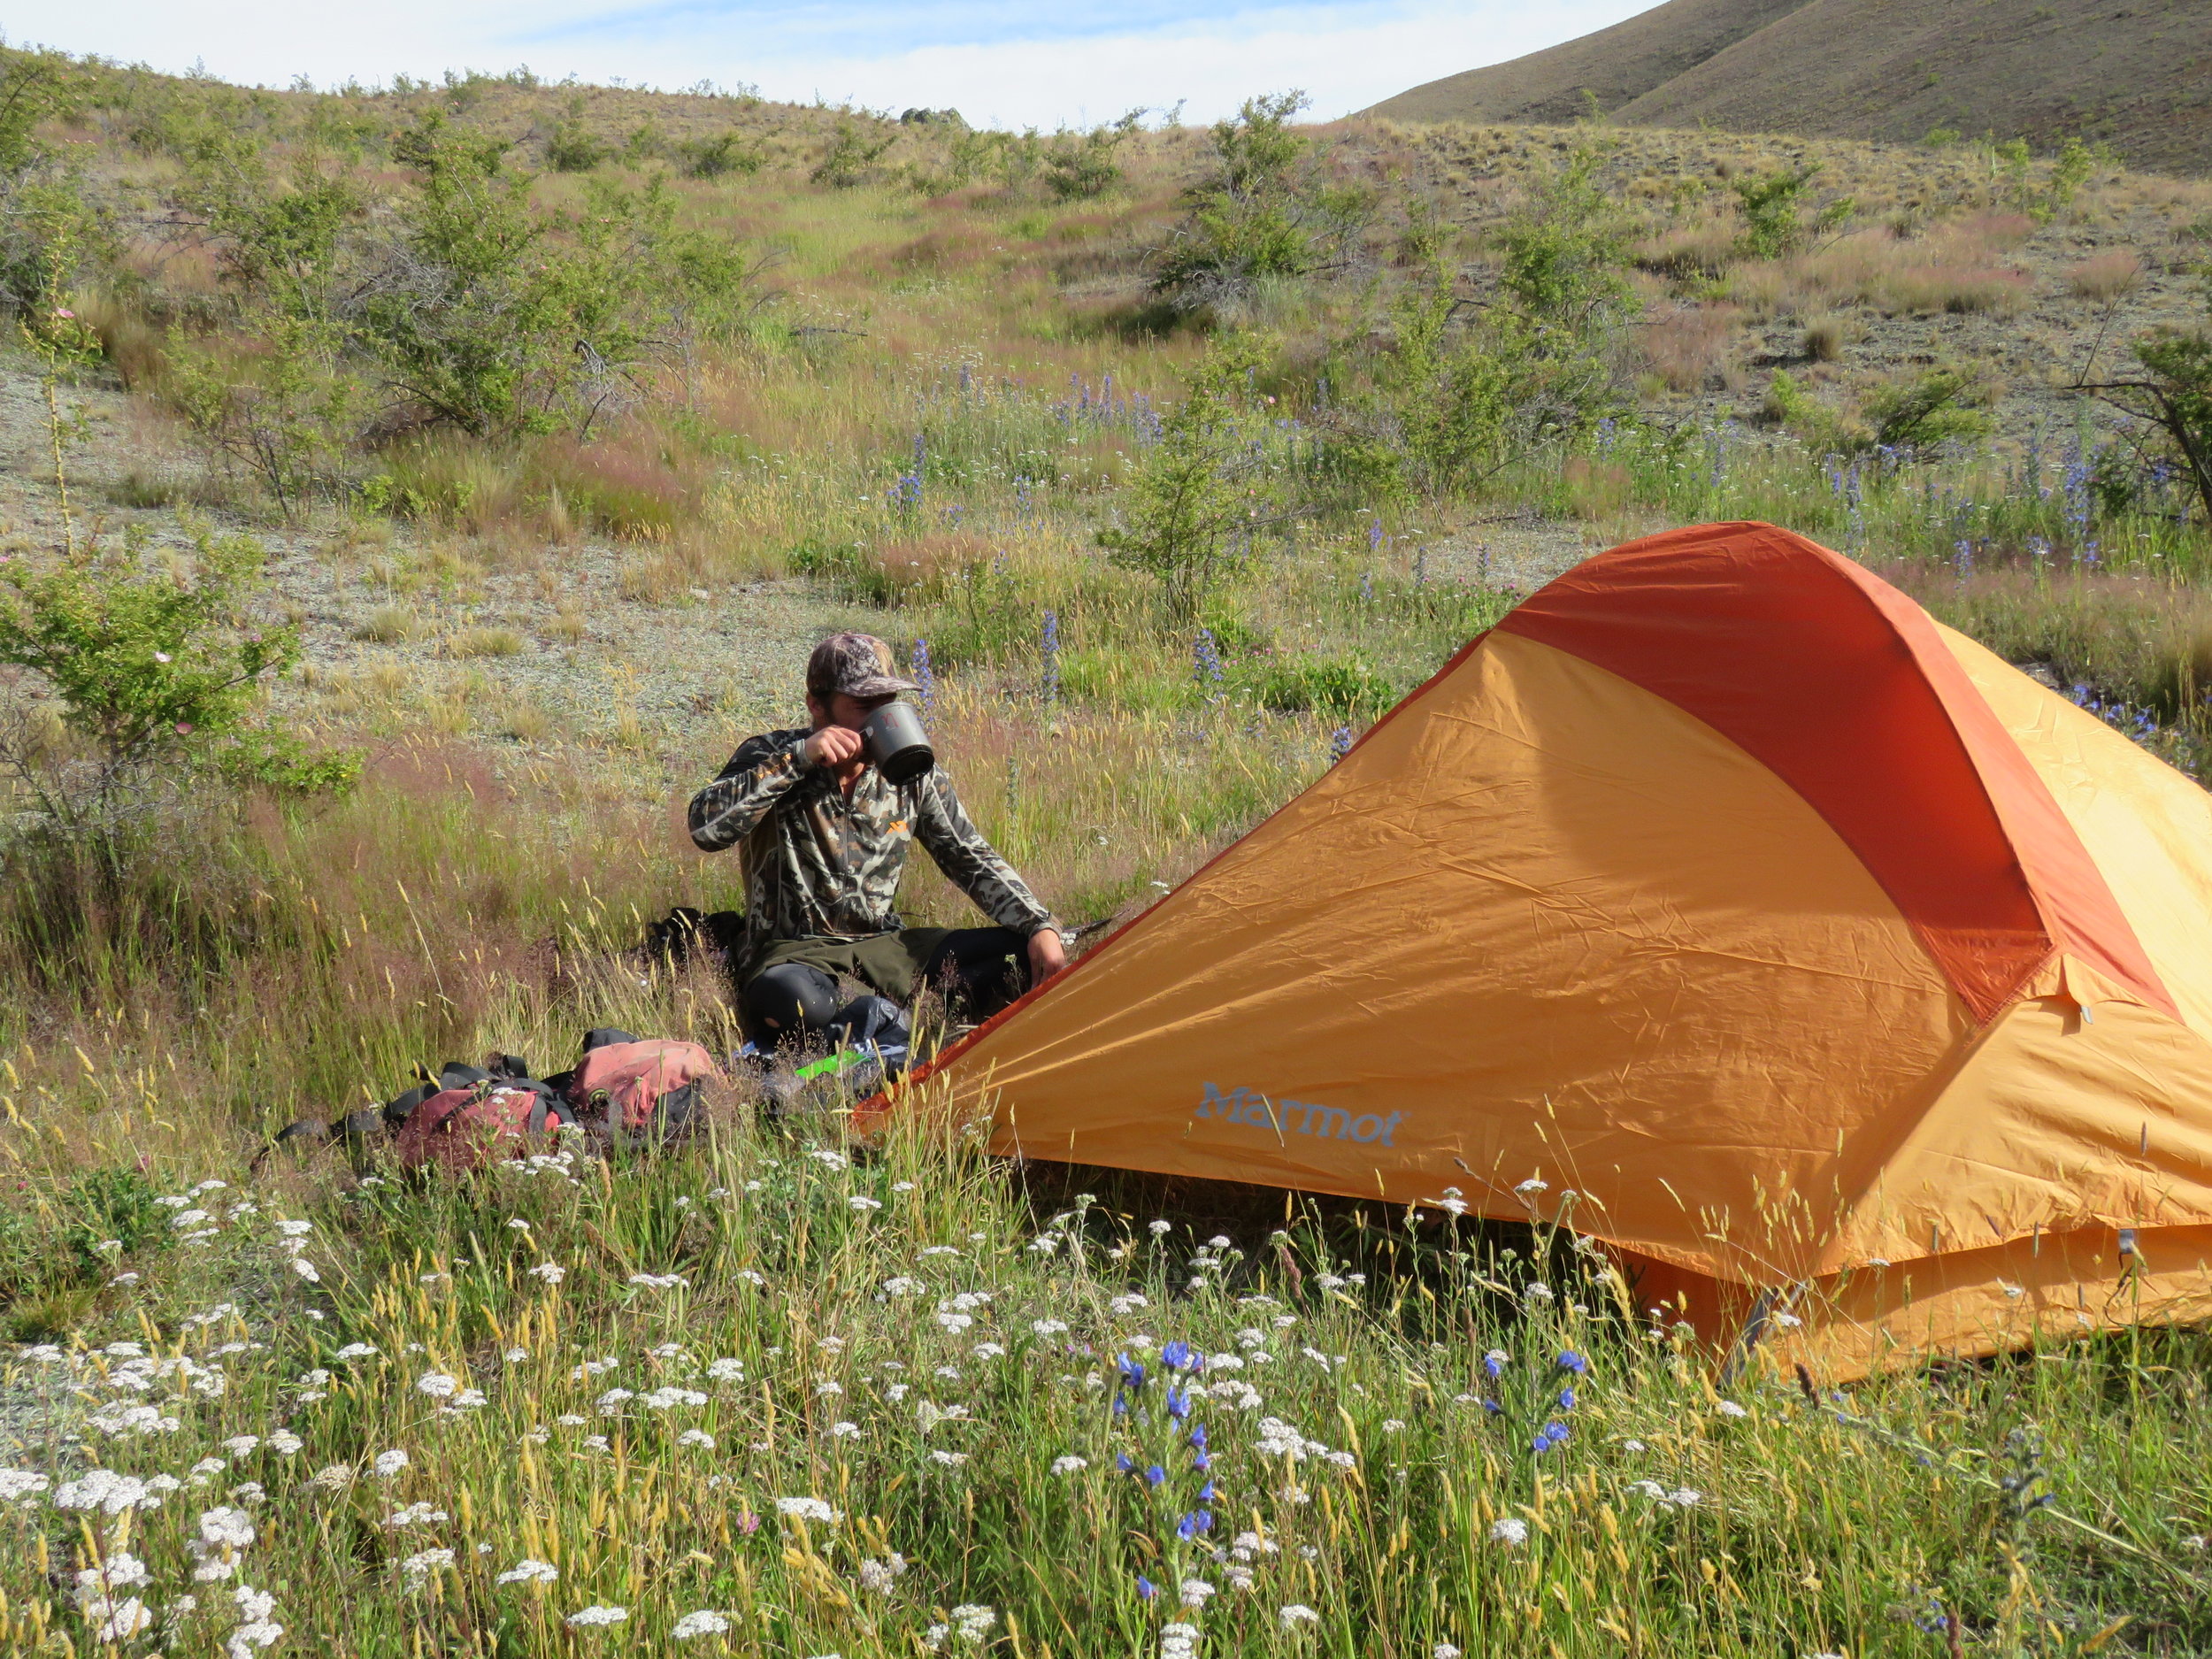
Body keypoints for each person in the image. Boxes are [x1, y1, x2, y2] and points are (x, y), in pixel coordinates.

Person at [687, 631, 1068, 1047]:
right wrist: (798, 759)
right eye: (865, 706)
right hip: (795, 955)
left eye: (889, 703)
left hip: (888, 947)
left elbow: (967, 854)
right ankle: (890, 1021)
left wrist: (1038, 924)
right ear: (818, 705)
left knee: (1022, 953)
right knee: (794, 1002)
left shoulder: (909, 768)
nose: (881, 719)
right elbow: (706, 830)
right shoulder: (772, 754)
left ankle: (877, 1021)